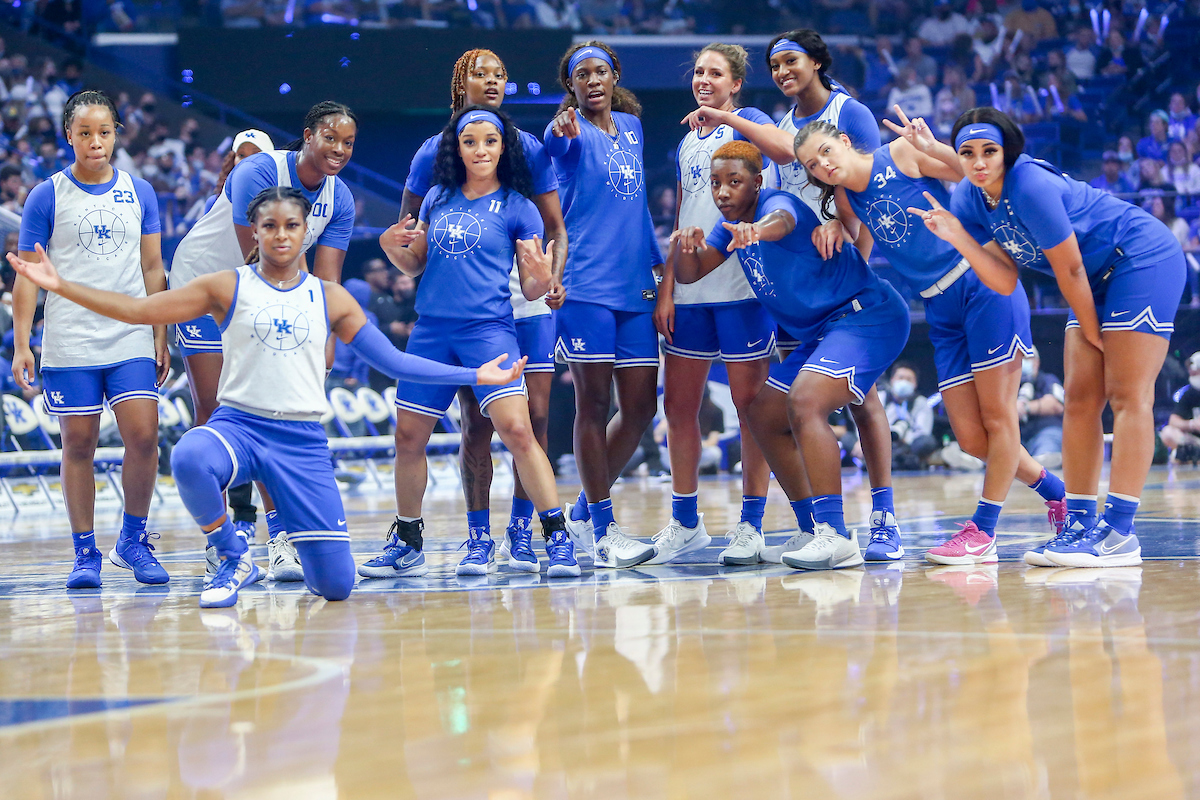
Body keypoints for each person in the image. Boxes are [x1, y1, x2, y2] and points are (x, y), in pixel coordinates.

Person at [8, 187, 524, 607]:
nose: (281, 234)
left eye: (292, 225)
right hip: (240, 428)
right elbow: (138, 311)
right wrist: (63, 287)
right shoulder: (226, 287)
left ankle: (301, 545)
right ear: (253, 231)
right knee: (189, 454)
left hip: (300, 442)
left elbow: (394, 362)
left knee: (336, 586)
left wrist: (476, 375)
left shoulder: (331, 297)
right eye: (270, 225)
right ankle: (232, 552)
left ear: (306, 233)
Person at [913, 107, 1187, 567]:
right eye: (967, 153)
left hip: (1140, 258)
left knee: (1125, 394)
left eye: (989, 151)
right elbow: (1002, 280)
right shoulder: (967, 200)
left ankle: (1119, 532)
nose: (978, 162)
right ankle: (1079, 524)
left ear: (1007, 154)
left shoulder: (1030, 185)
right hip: (1094, 279)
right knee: (1080, 397)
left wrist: (1096, 331)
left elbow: (1072, 267)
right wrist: (959, 237)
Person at [795, 107, 1067, 565]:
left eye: (824, 152)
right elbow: (856, 247)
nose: (822, 166)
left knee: (999, 420)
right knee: (970, 439)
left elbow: (978, 174)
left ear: (843, 139)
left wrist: (931, 145)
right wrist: (833, 226)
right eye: (811, 166)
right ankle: (1060, 495)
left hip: (980, 283)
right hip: (937, 306)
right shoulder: (845, 198)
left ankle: (983, 530)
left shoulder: (899, 153)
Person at [679, 30, 900, 560]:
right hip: (805, 289)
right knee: (776, 409)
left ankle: (879, 517)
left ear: (818, 62)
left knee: (849, 403)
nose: (781, 71)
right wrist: (678, 256)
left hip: (839, 277)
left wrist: (848, 242)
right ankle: (813, 525)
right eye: (774, 64)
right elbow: (779, 159)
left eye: (791, 61)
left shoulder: (851, 114)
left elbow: (858, 190)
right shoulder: (779, 129)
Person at [363, 106, 578, 578]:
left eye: (490, 141)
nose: (480, 150)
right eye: (470, 142)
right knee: (407, 438)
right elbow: (414, 263)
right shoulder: (436, 197)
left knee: (519, 433)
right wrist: (387, 245)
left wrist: (543, 277)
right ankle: (410, 539)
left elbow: (531, 289)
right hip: (430, 332)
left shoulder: (519, 206)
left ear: (503, 148)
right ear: (456, 148)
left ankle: (557, 538)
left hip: (488, 331)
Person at [168, 102, 356, 583]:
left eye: (348, 142)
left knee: (273, 411)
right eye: (330, 138)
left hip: (269, 293)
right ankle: (223, 542)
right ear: (308, 135)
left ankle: (281, 539)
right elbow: (257, 259)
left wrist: (326, 335)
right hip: (207, 285)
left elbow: (328, 283)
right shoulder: (258, 171)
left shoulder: (342, 200)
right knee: (215, 410)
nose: (338, 149)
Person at [11, 90, 169, 590]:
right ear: (69, 136)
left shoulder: (140, 191)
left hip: (130, 333)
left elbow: (152, 267)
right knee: (77, 443)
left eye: (104, 131)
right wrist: (21, 344)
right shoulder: (46, 194)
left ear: (116, 133)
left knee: (144, 436)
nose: (95, 141)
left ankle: (133, 540)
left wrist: (159, 332)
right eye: (84, 132)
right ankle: (85, 554)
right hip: (70, 340)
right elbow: (27, 276)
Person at [653, 43, 778, 566]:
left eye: (716, 73)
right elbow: (684, 209)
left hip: (742, 291)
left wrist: (725, 115)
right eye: (699, 72)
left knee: (751, 412)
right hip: (690, 290)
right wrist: (666, 290)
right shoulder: (687, 143)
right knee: (678, 407)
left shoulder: (746, 124)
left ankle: (751, 525)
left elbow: (788, 148)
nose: (704, 79)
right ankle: (686, 523)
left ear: (736, 84)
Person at [545, 41, 663, 568]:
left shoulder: (633, 130)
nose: (592, 80)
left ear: (615, 75)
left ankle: (583, 510)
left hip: (636, 282)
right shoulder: (565, 133)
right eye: (581, 75)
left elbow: (634, 207)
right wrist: (560, 132)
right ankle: (604, 526)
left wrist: (659, 271)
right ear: (570, 85)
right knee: (593, 404)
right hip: (586, 285)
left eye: (600, 71)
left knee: (640, 409)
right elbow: (557, 145)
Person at [882, 363, 938, 470]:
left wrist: (905, 438)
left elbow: (923, 432)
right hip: (882, 441)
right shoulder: (881, 397)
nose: (904, 382)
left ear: (915, 384)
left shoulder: (921, 402)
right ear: (892, 380)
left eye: (909, 379)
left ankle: (911, 460)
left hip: (909, 444)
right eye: (901, 378)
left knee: (926, 442)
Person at [1018, 346, 1064, 468]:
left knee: (1047, 446)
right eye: (1020, 359)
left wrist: (1025, 408)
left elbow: (1056, 405)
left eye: (1028, 359)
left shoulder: (1047, 380)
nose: (1024, 363)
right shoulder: (1006, 384)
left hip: (1044, 430)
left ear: (1037, 362)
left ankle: (1041, 466)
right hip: (1016, 435)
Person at [1160, 351, 1200, 462]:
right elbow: (1173, 421)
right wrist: (1192, 424)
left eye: (1195, 372)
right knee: (1168, 432)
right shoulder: (1188, 394)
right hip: (1195, 440)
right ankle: (1192, 452)